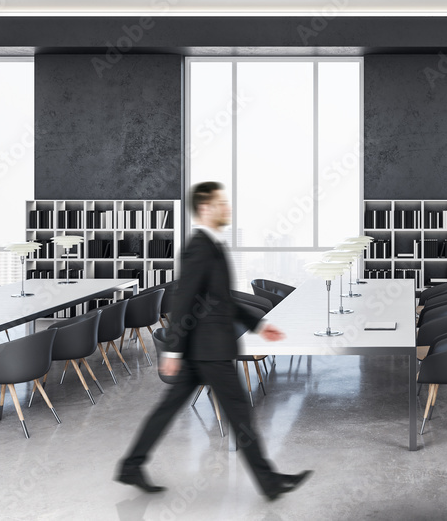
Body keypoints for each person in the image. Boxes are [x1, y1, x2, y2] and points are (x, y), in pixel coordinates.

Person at [116, 181, 311, 501]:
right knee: (239, 412)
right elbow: (183, 301)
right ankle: (268, 481)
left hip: (203, 349)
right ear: (205, 208)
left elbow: (223, 301)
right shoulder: (198, 248)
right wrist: (173, 350)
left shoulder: (213, 246)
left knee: (170, 409)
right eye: (221, 203)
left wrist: (259, 325)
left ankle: (131, 465)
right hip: (208, 350)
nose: (227, 208)